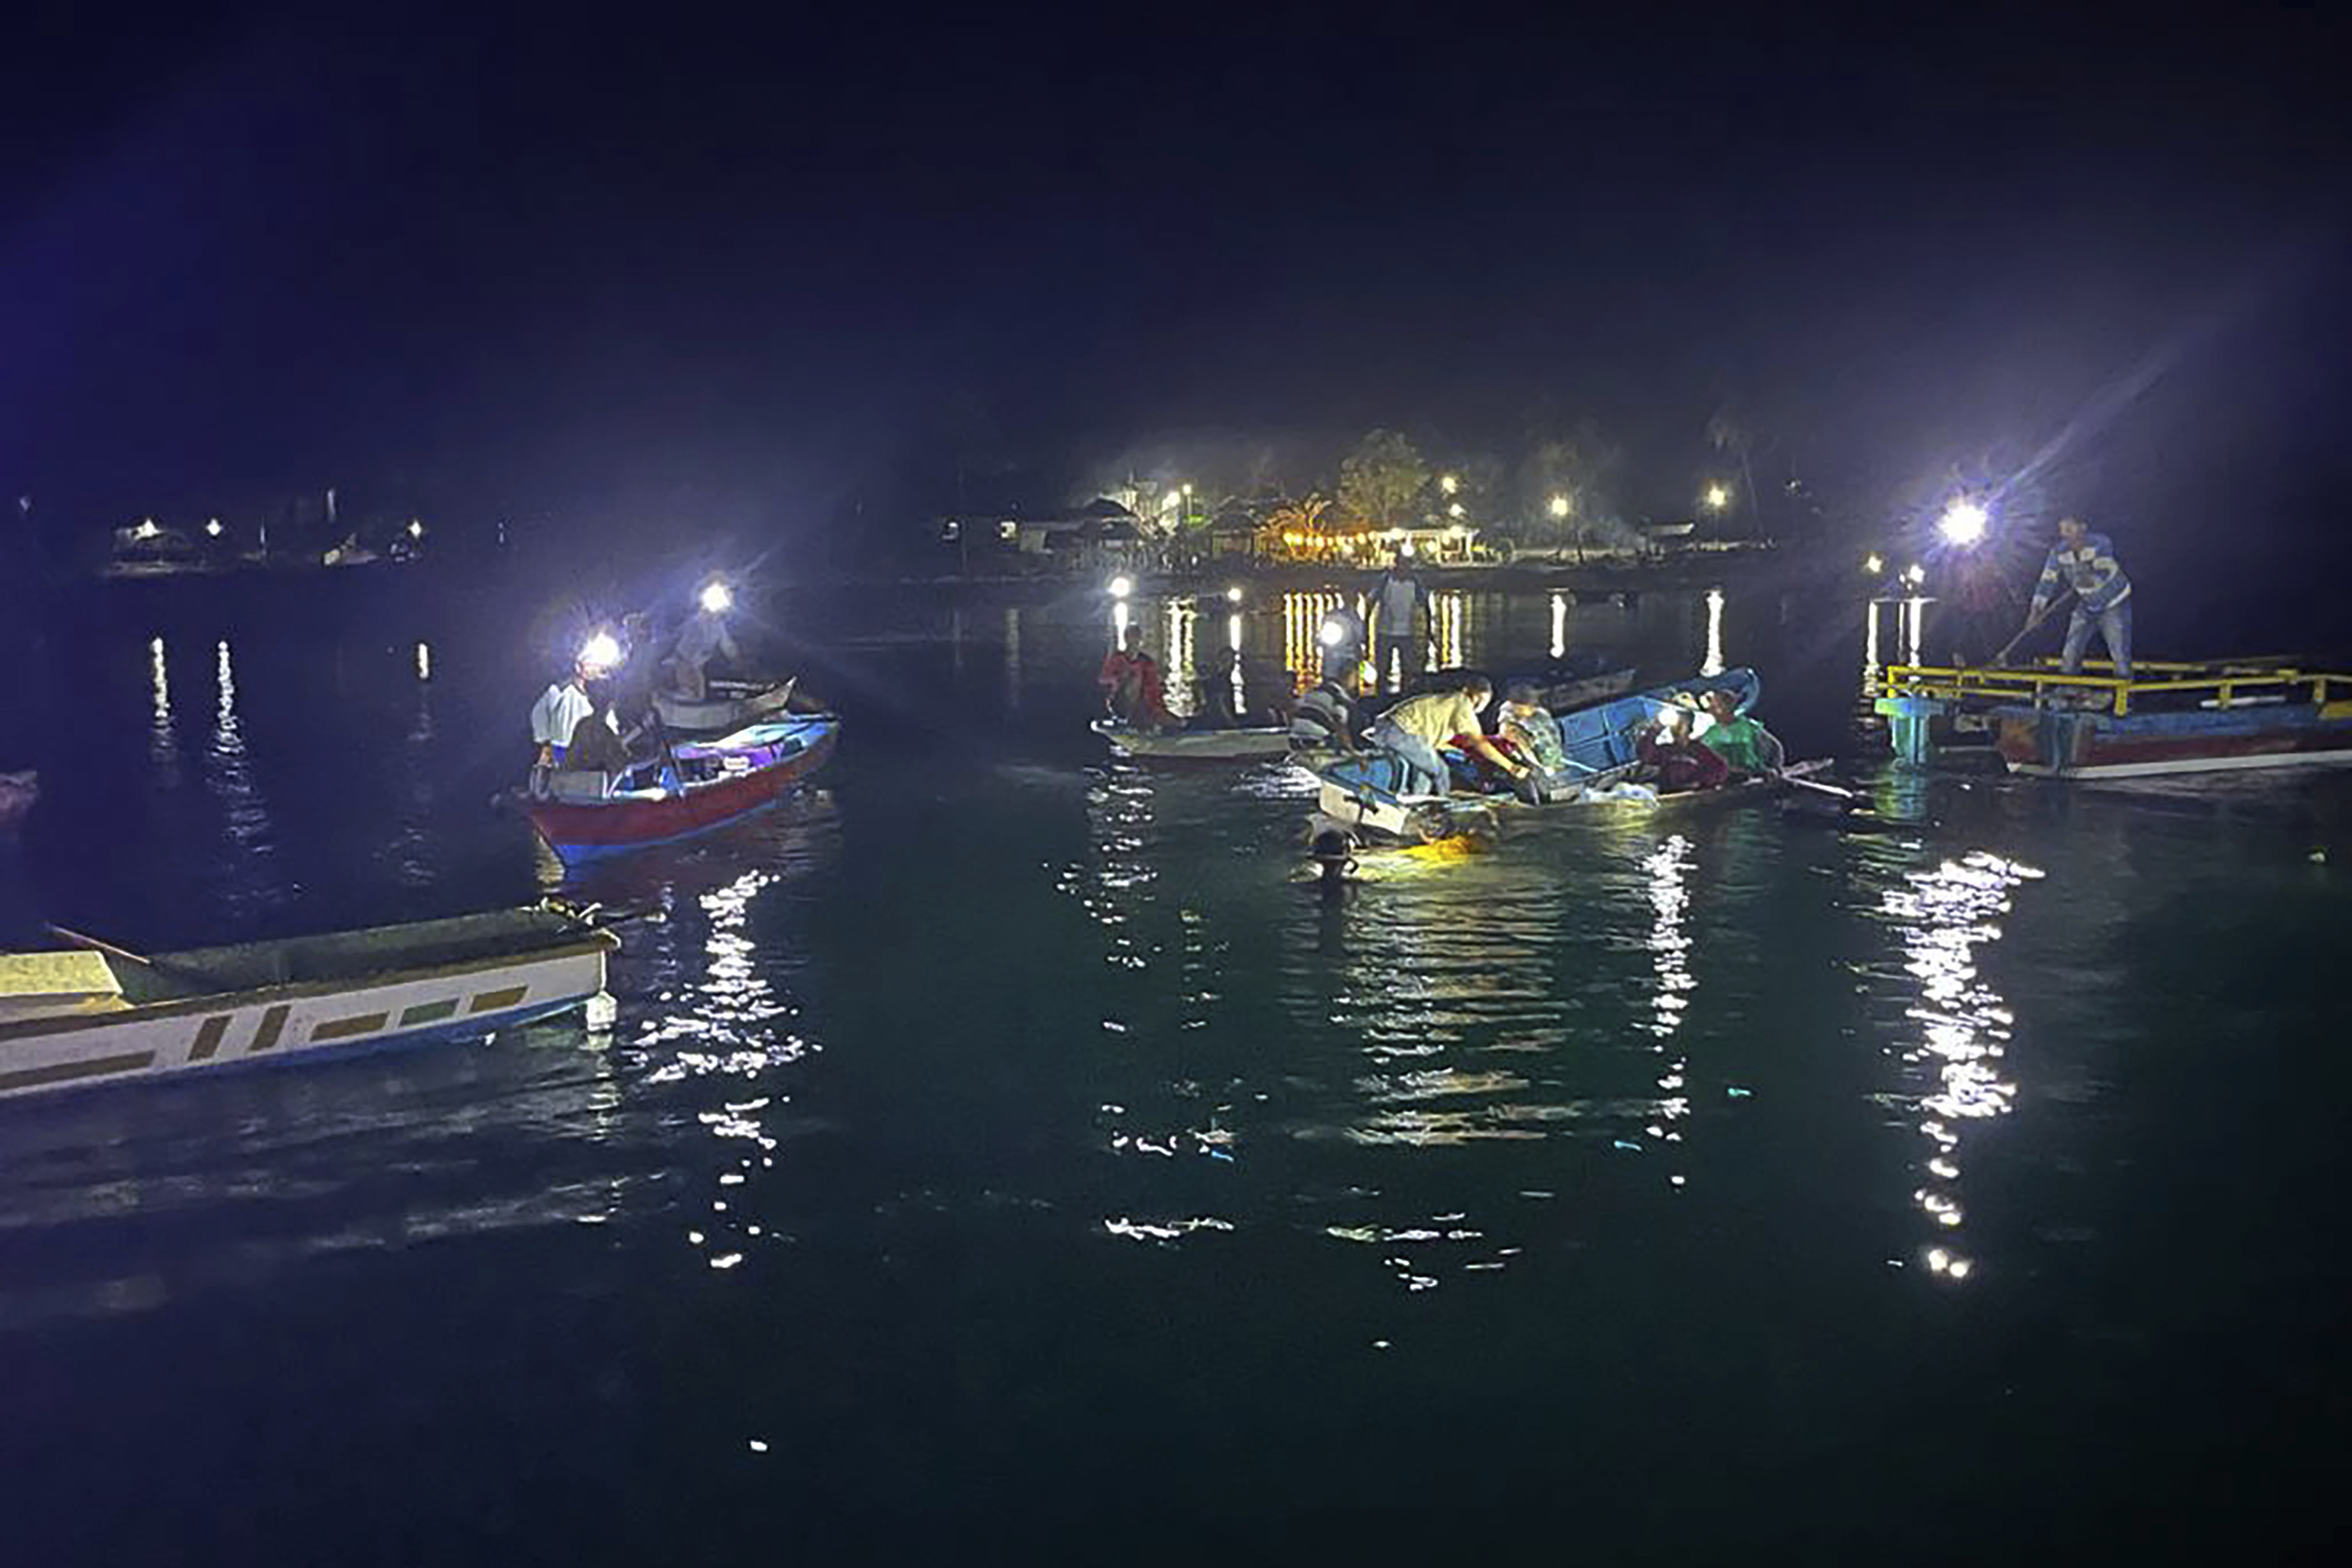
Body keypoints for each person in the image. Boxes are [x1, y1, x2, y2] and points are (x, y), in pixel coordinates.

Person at [1368, 673, 1529, 797]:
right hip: (1398, 729)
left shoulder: (1447, 705)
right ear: (1466, 691)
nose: (1479, 704)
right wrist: (1512, 767)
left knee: (1426, 772)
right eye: (1478, 699)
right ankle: (1443, 809)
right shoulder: (1462, 702)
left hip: (1390, 727)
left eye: (1483, 702)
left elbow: (1436, 741)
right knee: (1441, 771)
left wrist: (1459, 752)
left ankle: (1418, 806)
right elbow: (1479, 742)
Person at [2024, 514, 2132, 681]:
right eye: (2062, 529)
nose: (2065, 533)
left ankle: (2125, 701)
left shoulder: (2100, 543)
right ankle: (2068, 690)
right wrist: (2036, 610)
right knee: (2071, 649)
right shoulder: (2059, 552)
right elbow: (2047, 581)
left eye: (2070, 527)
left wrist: (2089, 577)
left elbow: (2104, 570)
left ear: (2083, 527)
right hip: (2088, 604)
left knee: (2119, 652)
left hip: (2114, 603)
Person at [1497, 683, 1573, 802]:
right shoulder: (1508, 714)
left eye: (1523, 709)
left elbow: (1552, 742)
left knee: (1543, 787)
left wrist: (1550, 762)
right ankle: (1531, 805)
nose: (1519, 711)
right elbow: (1504, 731)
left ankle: (1546, 803)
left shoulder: (1542, 717)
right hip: (1520, 758)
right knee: (1527, 787)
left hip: (1541, 759)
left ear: (1533, 707)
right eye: (1516, 707)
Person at [1636, 706, 1730, 793]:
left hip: (1693, 797)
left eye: (1682, 725)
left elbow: (1721, 769)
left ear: (1690, 728)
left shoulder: (1699, 750)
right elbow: (1646, 756)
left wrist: (1699, 782)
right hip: (1669, 796)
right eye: (1676, 726)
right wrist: (1655, 729)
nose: (1678, 729)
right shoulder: (1667, 750)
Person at [1694, 688, 1784, 777]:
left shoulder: (1749, 728)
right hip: (1722, 779)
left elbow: (1775, 748)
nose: (1710, 710)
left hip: (1751, 778)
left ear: (1728, 706)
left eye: (1715, 706)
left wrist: (1775, 768)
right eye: (1711, 707)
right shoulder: (1711, 732)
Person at [1098, 626, 1174, 731]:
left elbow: (1153, 687)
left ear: (1140, 640)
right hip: (1120, 702)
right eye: (1130, 637)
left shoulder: (1147, 662)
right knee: (1133, 680)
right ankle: (1130, 717)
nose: (1133, 641)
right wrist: (1119, 679)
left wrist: (1158, 706)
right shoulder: (1117, 659)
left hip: (1143, 703)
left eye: (1136, 637)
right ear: (1125, 638)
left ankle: (1151, 718)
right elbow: (1103, 679)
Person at [670, 598, 741, 702]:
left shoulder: (719, 626)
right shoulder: (695, 622)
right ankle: (687, 693)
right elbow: (683, 637)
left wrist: (736, 657)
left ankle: (694, 696)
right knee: (689, 685)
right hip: (686, 660)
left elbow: (727, 645)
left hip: (697, 664)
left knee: (698, 694)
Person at [561, 684, 635, 777]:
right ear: (610, 705)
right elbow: (619, 760)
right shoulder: (600, 730)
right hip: (591, 781)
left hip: (578, 779)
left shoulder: (584, 724)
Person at [1374, 563, 1425, 683]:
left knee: (1407, 671)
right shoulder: (1386, 580)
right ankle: (1383, 694)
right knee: (1382, 670)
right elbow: (1372, 600)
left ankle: (1403, 695)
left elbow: (1424, 604)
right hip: (1386, 631)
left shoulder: (1414, 582)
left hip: (1405, 632)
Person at [1288, 677, 1361, 753]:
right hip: (1319, 738)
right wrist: (1352, 750)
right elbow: (1340, 723)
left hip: (1294, 735)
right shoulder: (1339, 701)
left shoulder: (1311, 692)